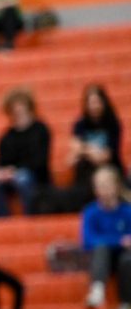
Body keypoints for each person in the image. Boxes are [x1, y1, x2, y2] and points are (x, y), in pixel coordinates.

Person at [41, 84, 125, 214]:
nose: (94, 106)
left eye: (96, 102)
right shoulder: (80, 124)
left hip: (108, 169)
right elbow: (71, 159)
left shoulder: (112, 123)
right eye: (91, 102)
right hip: (85, 174)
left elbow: (104, 157)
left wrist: (84, 148)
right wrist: (89, 151)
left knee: (102, 179)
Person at [0, 87, 52, 217]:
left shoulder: (41, 130)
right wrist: (0, 171)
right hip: (13, 176)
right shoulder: (7, 136)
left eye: (21, 105)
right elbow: (0, 161)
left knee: (23, 178)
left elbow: (40, 162)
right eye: (14, 107)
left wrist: (14, 171)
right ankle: (2, 215)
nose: (18, 110)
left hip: (35, 176)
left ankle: (30, 214)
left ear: (29, 107)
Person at [81, 166, 131, 309]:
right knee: (101, 248)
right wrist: (118, 241)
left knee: (127, 260)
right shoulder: (90, 212)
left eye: (106, 184)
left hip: (124, 259)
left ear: (116, 186)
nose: (103, 189)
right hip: (101, 259)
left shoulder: (127, 211)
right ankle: (97, 289)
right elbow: (88, 241)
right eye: (99, 185)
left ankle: (125, 307)